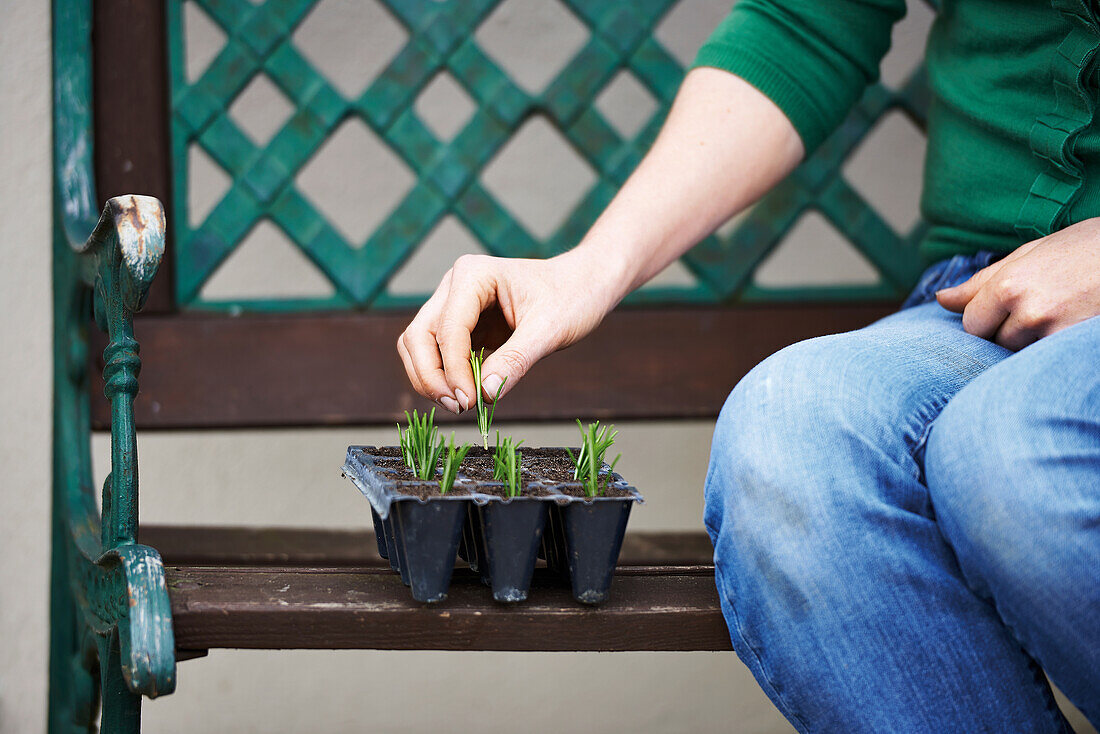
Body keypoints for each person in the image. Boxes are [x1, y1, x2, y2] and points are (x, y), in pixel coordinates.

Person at [397, 1, 1099, 730]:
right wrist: (587, 268)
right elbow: (810, 22)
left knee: (1011, 450)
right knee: (786, 432)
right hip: (979, 297)